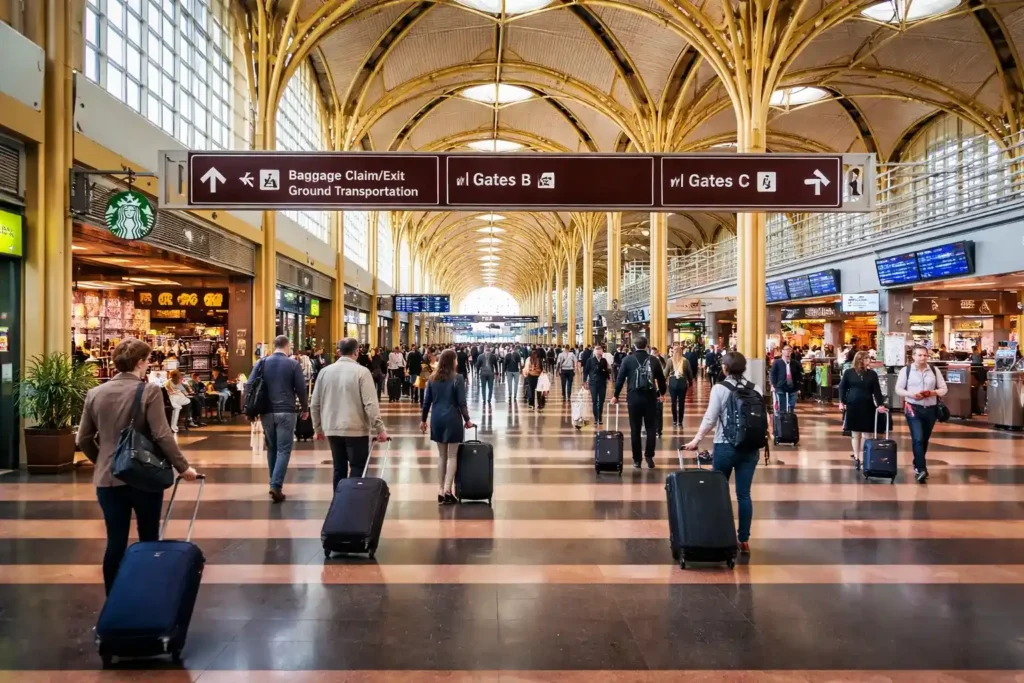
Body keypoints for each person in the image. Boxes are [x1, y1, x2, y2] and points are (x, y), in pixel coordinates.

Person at [76, 339, 198, 595]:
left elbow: (82, 439)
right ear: (141, 362)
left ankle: (114, 598)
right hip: (144, 476)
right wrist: (183, 467)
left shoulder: (95, 393)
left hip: (108, 478)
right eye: (148, 360)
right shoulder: (149, 392)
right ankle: (147, 594)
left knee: (116, 540)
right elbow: (163, 435)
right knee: (148, 537)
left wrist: (103, 460)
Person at [682, 351, 762, 555]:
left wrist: (696, 440)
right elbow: (764, 418)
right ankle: (743, 539)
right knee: (744, 494)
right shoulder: (756, 388)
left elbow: (710, 418)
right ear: (744, 368)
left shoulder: (720, 388)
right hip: (750, 448)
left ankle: (719, 535)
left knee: (718, 492)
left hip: (725, 446)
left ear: (725, 368)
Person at [311, 338, 389, 491]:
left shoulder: (324, 372)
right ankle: (352, 503)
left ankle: (339, 504)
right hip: (356, 429)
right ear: (357, 351)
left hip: (332, 428)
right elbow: (370, 404)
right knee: (357, 467)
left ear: (339, 351)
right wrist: (380, 428)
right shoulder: (362, 372)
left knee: (338, 468)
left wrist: (317, 428)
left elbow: (315, 403)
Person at [247, 335, 308, 503]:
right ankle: (276, 485)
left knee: (272, 448)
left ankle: (273, 482)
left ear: (274, 346)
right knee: (284, 449)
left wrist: (249, 409)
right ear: (287, 346)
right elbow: (301, 389)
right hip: (287, 411)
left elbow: (249, 385)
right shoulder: (293, 364)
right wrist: (305, 408)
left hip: (266, 412)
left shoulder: (262, 363)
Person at [420, 349, 474, 505]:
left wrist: (423, 420)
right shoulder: (457, 378)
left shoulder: (431, 378)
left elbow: (426, 402)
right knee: (452, 456)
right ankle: (448, 491)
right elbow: (461, 403)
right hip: (452, 419)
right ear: (452, 361)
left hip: (436, 419)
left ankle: (439, 490)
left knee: (441, 456)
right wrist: (467, 420)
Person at [895, 345, 948, 483]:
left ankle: (917, 461)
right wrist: (912, 395)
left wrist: (933, 393)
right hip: (913, 408)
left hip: (930, 408)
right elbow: (899, 389)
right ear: (913, 356)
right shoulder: (906, 371)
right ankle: (921, 468)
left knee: (924, 439)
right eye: (919, 355)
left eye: (925, 355)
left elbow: (943, 389)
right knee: (917, 438)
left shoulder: (934, 371)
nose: (923, 358)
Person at [612, 337, 667, 469]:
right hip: (650, 398)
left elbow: (619, 379)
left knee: (635, 430)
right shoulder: (654, 360)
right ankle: (649, 456)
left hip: (633, 398)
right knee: (651, 428)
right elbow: (661, 379)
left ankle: (637, 460)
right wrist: (662, 394)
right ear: (647, 346)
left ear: (634, 346)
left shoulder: (627, 360)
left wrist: (616, 395)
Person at [839, 350, 888, 461]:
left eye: (868, 358)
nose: (869, 361)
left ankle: (866, 455)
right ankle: (857, 456)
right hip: (852, 404)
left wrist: (880, 404)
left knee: (867, 434)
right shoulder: (849, 373)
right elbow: (842, 387)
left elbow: (877, 391)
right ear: (859, 360)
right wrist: (841, 402)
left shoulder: (872, 374)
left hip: (867, 405)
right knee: (855, 433)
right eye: (866, 358)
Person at [666, 344, 695, 428]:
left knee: (673, 402)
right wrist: (690, 383)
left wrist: (662, 383)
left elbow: (665, 373)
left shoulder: (670, 360)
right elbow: (690, 373)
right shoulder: (685, 361)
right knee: (681, 402)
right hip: (682, 383)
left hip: (673, 383)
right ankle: (680, 421)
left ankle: (674, 420)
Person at [583, 344, 611, 426]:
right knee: (594, 401)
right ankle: (596, 418)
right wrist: (585, 382)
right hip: (593, 383)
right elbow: (586, 371)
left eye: (600, 350)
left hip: (602, 383)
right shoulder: (590, 360)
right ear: (594, 351)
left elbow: (607, 371)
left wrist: (607, 375)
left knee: (601, 401)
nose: (599, 351)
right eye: (597, 350)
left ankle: (600, 417)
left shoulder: (604, 360)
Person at [769, 344, 803, 413]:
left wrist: (799, 387)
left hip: (793, 388)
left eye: (790, 350)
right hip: (780, 387)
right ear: (782, 351)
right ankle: (782, 422)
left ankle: (789, 421)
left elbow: (799, 375)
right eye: (786, 350)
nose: (788, 352)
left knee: (791, 408)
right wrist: (772, 385)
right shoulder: (777, 362)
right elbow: (773, 374)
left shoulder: (795, 363)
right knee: (782, 408)